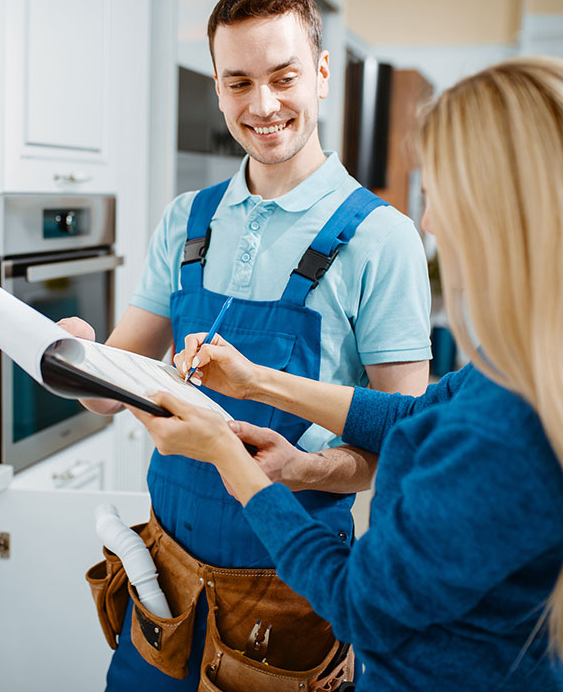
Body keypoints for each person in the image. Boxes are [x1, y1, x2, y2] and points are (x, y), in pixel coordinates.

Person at [130, 56, 563, 691]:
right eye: (238, 81)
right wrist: (256, 383)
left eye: (441, 194)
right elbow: (415, 416)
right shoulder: (518, 372)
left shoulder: (502, 431)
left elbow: (361, 603)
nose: (434, 222)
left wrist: (227, 452)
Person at [61, 0, 431, 690]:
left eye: (283, 77)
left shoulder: (382, 240)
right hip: (159, 585)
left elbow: (406, 446)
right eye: (237, 83)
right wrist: (73, 358)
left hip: (289, 595)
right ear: (218, 84)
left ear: (322, 75)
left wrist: (303, 468)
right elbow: (113, 390)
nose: (262, 106)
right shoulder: (186, 219)